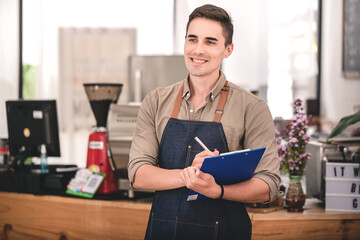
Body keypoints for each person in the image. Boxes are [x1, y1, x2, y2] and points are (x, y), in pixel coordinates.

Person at [128, 4, 280, 240]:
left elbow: (268, 185)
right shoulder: (156, 101)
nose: (198, 50)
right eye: (192, 39)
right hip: (164, 231)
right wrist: (189, 175)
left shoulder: (252, 108)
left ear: (227, 49)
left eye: (210, 42)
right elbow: (138, 175)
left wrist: (217, 190)